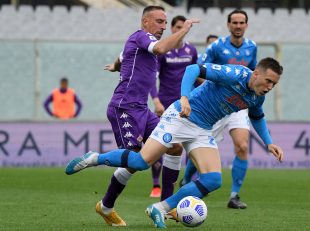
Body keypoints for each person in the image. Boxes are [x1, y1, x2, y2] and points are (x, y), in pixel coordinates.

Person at [65, 57, 284, 228]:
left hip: (201, 130)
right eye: (268, 81)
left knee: (213, 180)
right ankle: (94, 158)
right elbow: (193, 69)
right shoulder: (233, 74)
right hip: (181, 117)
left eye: (274, 84)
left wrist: (268, 143)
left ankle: (159, 208)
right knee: (142, 162)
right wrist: (185, 97)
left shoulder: (257, 97)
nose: (270, 87)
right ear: (256, 73)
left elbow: (257, 116)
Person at [95, 6, 198, 227]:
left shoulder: (142, 44)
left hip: (142, 109)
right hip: (124, 107)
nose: (162, 26)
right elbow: (160, 48)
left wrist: (115, 66)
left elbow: (124, 55)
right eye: (159, 21)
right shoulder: (143, 36)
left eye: (164, 22)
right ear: (145, 22)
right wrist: (184, 29)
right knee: (135, 160)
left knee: (174, 147)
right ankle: (104, 199)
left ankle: (164, 207)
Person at [180, 9, 257, 209]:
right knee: (200, 146)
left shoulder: (252, 47)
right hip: (216, 104)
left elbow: (255, 73)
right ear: (228, 25)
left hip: (239, 104)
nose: (238, 26)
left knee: (242, 146)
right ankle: (187, 180)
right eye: (235, 23)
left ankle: (234, 196)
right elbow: (199, 68)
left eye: (242, 23)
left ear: (246, 25)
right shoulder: (216, 46)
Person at [149, 15, 198, 200]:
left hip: (186, 104)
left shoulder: (191, 50)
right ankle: (156, 184)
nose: (179, 30)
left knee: (187, 144)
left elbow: (195, 75)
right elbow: (152, 79)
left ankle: (186, 182)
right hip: (165, 104)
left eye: (182, 27)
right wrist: (156, 101)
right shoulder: (163, 51)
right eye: (176, 27)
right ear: (172, 29)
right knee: (162, 145)